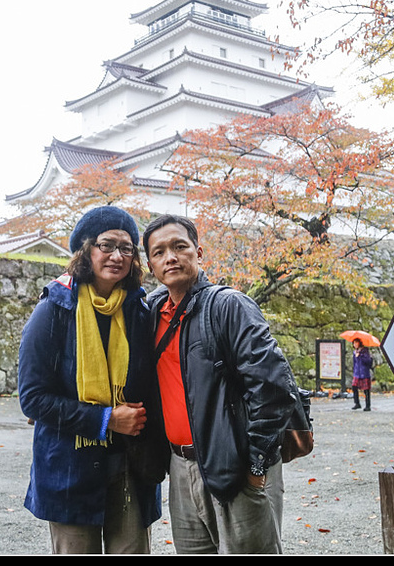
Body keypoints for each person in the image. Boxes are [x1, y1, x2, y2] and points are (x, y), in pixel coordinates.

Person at [142, 215, 298, 554]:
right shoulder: (151, 312)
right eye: (159, 252)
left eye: (179, 246)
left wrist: (256, 466)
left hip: (237, 465)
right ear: (150, 265)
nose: (171, 257)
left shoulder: (228, 306)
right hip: (181, 468)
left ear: (199, 253)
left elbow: (273, 388)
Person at [18, 206, 163, 554]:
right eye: (106, 245)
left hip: (129, 465)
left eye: (126, 248)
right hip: (69, 467)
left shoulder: (139, 312)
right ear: (86, 249)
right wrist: (106, 419)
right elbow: (33, 398)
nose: (117, 256)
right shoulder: (55, 309)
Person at [351, 338, 373, 411]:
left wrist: (360, 356)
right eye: (354, 343)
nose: (355, 344)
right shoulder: (355, 352)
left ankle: (368, 405)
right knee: (354, 386)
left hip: (364, 372)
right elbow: (354, 363)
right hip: (357, 373)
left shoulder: (365, 351)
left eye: (356, 343)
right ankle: (357, 403)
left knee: (366, 390)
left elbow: (368, 361)